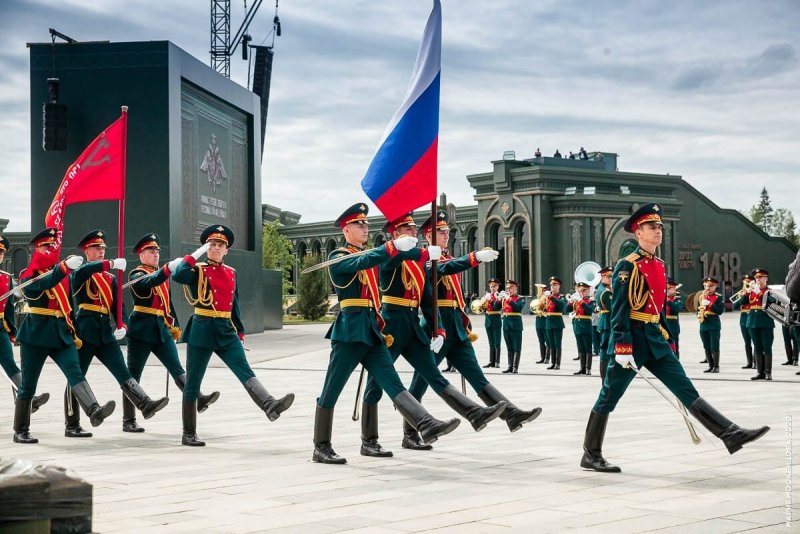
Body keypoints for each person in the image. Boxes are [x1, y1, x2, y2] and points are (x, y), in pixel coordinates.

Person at [580, 203, 770, 473]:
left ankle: (730, 433)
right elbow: (620, 309)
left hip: (654, 340)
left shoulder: (658, 264)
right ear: (638, 232)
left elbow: (656, 308)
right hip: (631, 343)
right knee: (609, 396)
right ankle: (591, 453)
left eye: (659, 226)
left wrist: (665, 335)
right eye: (651, 227)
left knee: (686, 389)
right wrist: (622, 345)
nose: (658, 231)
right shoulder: (626, 266)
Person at [312, 204, 460, 464]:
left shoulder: (370, 255)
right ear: (346, 230)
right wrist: (392, 247)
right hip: (349, 331)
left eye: (366, 224)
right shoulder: (338, 255)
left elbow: (384, 260)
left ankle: (420, 425)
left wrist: (420, 253)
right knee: (331, 390)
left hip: (372, 329)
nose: (365, 228)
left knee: (392, 383)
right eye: (359, 224)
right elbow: (363, 261)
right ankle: (321, 446)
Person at [358, 213, 505, 457]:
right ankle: (369, 439)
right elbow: (392, 259)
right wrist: (420, 252)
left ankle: (474, 413)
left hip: (413, 326)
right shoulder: (391, 257)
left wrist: (437, 328)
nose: (413, 232)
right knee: (375, 384)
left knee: (433, 374)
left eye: (414, 228)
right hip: (392, 327)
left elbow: (427, 298)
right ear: (395, 235)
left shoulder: (417, 263)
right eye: (408, 228)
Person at [405, 210, 542, 443]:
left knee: (476, 376)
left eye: (448, 231)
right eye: (441, 231)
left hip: (456, 327)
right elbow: (445, 269)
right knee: (422, 379)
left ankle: (511, 414)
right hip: (437, 326)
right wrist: (474, 257)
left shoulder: (445, 258)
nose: (446, 235)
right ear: (428, 235)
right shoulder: (427, 261)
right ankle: (410, 431)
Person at [171, 224, 294, 446]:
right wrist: (195, 255)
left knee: (244, 368)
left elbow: (233, 304)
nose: (216, 248)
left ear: (226, 250)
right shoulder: (197, 270)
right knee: (193, 382)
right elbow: (178, 275)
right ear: (207, 248)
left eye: (220, 245)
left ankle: (269, 404)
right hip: (202, 328)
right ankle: (188, 433)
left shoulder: (231, 273)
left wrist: (240, 330)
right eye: (212, 244)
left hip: (226, 330)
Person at [13, 228, 116, 444]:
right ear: (36, 249)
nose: (50, 250)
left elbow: (70, 304)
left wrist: (75, 331)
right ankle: (21, 430)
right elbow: (43, 285)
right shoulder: (28, 274)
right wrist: (63, 268)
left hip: (61, 331)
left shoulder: (64, 274)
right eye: (45, 246)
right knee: (28, 385)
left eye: (53, 246)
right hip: (36, 335)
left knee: (75, 373)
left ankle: (92, 411)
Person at [67, 230, 169, 438]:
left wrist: (122, 323)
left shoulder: (111, 279)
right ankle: (72, 423)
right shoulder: (80, 272)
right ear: (87, 251)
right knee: (76, 378)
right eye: (96, 248)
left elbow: (118, 304)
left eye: (103, 249)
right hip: (85, 332)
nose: (101, 252)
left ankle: (144, 403)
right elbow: (85, 272)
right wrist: (110, 264)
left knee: (122, 372)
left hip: (105, 332)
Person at [123, 233, 220, 433]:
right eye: (151, 251)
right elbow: (148, 283)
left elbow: (167, 303)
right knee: (133, 375)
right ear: (141, 255)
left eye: (157, 251)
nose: (155, 254)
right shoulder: (136, 275)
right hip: (141, 329)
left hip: (161, 329)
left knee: (177, 369)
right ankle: (129, 420)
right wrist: (167, 270)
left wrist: (173, 324)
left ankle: (199, 399)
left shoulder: (161, 275)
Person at [0, 235, 50, 412]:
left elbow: (8, 309)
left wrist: (11, 332)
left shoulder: (6, 278)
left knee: (10, 365)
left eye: (1, 252)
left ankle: (27, 398)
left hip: (0, 329)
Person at [747, 268, 776, 381]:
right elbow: (740, 303)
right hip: (752, 322)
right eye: (756, 277)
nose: (758, 279)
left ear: (766, 278)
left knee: (767, 347)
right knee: (757, 347)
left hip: (766, 323)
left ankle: (768, 372)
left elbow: (770, 303)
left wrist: (758, 292)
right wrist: (746, 292)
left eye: (760, 277)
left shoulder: (770, 291)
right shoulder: (752, 290)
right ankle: (760, 372)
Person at [696, 276, 724, 373]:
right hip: (704, 323)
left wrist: (710, 304)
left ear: (715, 286)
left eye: (711, 286)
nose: (708, 287)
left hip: (713, 323)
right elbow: (698, 309)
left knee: (714, 345)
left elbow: (720, 311)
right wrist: (699, 315)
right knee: (706, 345)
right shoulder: (701, 296)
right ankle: (710, 365)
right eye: (707, 285)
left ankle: (716, 366)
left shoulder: (718, 297)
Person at [567, 282, 594, 375]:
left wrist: (581, 302)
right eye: (580, 290)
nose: (582, 292)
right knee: (580, 347)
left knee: (588, 348)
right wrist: (570, 303)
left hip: (586, 325)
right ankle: (582, 368)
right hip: (577, 325)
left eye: (584, 290)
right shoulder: (576, 301)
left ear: (588, 291)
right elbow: (567, 310)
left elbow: (590, 310)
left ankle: (588, 368)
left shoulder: (591, 301)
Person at [730, 273, 754, 369]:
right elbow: (734, 306)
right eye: (745, 281)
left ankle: (757, 361)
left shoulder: (755, 291)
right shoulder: (741, 292)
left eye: (748, 281)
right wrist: (741, 296)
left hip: (752, 315)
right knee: (747, 341)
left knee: (755, 341)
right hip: (744, 317)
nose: (746, 283)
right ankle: (749, 361)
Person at [594, 266, 614, 381]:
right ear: (602, 277)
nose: (611, 278)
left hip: (605, 320)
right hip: (607, 321)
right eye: (609, 276)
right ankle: (605, 377)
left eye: (611, 276)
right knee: (606, 350)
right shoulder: (605, 292)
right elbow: (613, 308)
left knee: (606, 349)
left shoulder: (604, 289)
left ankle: (606, 376)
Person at [500, 280, 524, 374]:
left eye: (510, 288)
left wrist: (508, 299)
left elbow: (517, 307)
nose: (508, 290)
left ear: (515, 288)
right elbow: (495, 306)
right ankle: (510, 366)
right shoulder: (504, 298)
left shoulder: (520, 298)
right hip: (506, 325)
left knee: (516, 347)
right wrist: (498, 299)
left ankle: (515, 367)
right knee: (509, 347)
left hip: (516, 325)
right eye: (507, 288)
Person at [544, 276, 566, 370]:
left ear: (559, 286)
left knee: (557, 344)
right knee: (551, 344)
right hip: (548, 322)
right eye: (551, 285)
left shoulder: (561, 297)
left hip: (557, 322)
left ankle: (558, 363)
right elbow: (544, 307)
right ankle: (553, 363)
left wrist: (551, 297)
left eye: (555, 284)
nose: (552, 286)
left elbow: (561, 305)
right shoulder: (548, 297)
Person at [482, 278, 503, 368]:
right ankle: (491, 361)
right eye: (491, 286)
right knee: (491, 342)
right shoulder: (487, 295)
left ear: (498, 287)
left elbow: (496, 307)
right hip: (488, 319)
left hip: (496, 319)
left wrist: (490, 300)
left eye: (494, 286)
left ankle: (497, 362)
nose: (492, 288)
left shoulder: (499, 295)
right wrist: (483, 302)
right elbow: (483, 309)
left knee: (497, 342)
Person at [664, 277, 683, 359]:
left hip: (673, 327)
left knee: (674, 347)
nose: (667, 290)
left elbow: (676, 309)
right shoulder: (662, 299)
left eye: (669, 288)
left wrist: (668, 301)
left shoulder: (677, 299)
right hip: (663, 326)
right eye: (666, 288)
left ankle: (676, 360)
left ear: (674, 288)